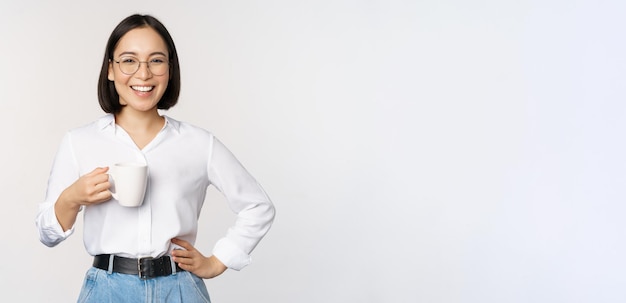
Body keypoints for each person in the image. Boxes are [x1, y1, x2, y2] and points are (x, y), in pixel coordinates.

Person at [35, 14, 275, 303]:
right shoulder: (80, 141)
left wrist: (218, 260)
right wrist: (71, 198)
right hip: (107, 292)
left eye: (156, 60)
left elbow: (258, 206)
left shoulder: (199, 143)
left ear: (170, 70)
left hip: (180, 289)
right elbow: (47, 234)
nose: (144, 73)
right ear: (110, 69)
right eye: (129, 60)